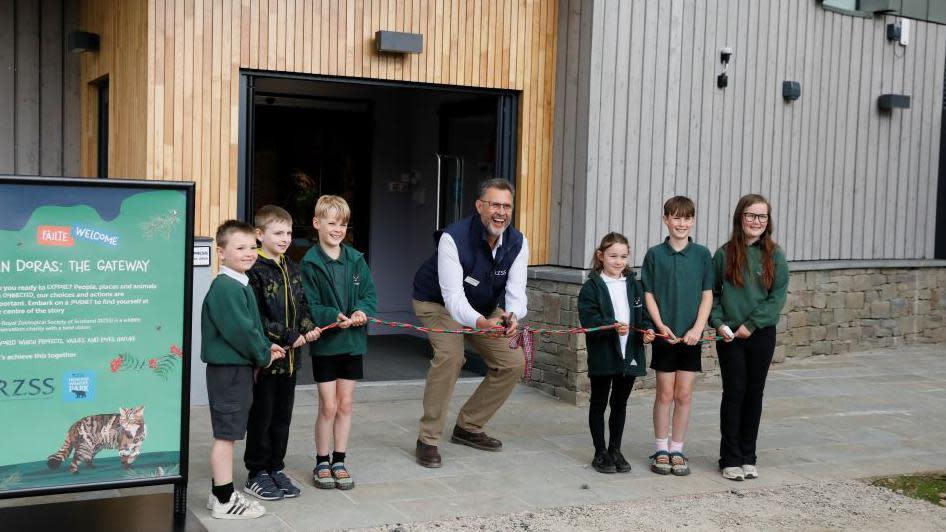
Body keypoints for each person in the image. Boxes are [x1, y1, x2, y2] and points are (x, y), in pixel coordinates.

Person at [411, 178, 527, 468]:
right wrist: (478, 322)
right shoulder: (454, 237)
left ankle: (468, 426)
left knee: (513, 362)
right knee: (451, 356)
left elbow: (516, 293)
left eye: (507, 206)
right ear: (479, 206)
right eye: (495, 204)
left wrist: (512, 316)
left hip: (483, 308)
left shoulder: (518, 242)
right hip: (437, 303)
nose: (501, 212)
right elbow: (453, 299)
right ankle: (428, 439)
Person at [201, 220, 285, 519]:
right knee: (226, 436)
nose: (249, 253)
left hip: (237, 369)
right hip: (230, 372)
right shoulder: (226, 287)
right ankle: (225, 501)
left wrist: (265, 346)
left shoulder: (239, 282)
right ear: (221, 252)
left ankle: (218, 493)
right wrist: (263, 352)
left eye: (252, 247)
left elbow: (252, 328)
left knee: (230, 433)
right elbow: (241, 332)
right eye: (240, 248)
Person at [243, 205, 321, 501]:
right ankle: (256, 472)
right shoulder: (254, 270)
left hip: (290, 362)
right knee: (261, 417)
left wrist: (308, 326)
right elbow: (256, 316)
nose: (285, 238)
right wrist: (289, 335)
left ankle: (276, 467)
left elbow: (301, 306)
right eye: (278, 233)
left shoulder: (292, 266)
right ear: (259, 235)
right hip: (267, 361)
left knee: (282, 417)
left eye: (289, 232)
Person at [710, 194, 789, 481]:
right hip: (729, 336)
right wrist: (719, 324)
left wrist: (752, 325)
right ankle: (729, 458)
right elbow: (713, 294)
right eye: (751, 215)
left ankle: (747, 456)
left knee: (754, 394)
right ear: (740, 218)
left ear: (768, 221)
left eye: (762, 216)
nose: (756, 221)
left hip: (760, 334)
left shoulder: (775, 255)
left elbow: (776, 297)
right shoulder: (724, 254)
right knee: (734, 393)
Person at [301, 195, 377, 490]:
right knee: (328, 406)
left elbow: (370, 296)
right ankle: (321, 460)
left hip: (352, 343)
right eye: (331, 223)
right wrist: (334, 315)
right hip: (326, 346)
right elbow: (309, 305)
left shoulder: (356, 260)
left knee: (345, 405)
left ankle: (339, 460)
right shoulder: (309, 263)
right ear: (317, 224)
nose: (337, 229)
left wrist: (361, 312)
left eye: (342, 224)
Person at [640, 196, 714, 476]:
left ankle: (677, 448)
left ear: (692, 220)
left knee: (684, 395)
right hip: (665, 335)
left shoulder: (702, 255)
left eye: (686, 218)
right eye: (676, 217)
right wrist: (659, 325)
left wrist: (698, 328)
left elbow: (707, 294)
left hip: (690, 337)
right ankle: (661, 447)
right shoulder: (655, 255)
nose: (681, 223)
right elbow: (648, 293)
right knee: (665, 393)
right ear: (666, 220)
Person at [578, 232, 655, 474]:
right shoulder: (591, 287)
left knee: (620, 403)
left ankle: (615, 449)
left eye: (623, 256)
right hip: (604, 354)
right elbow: (590, 321)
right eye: (613, 256)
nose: (618, 261)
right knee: (599, 402)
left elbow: (642, 317)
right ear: (601, 256)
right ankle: (599, 452)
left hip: (629, 352)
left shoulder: (634, 285)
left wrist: (647, 331)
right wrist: (611, 324)